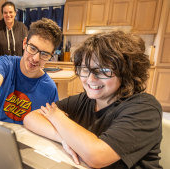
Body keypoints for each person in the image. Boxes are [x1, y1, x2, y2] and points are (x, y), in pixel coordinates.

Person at [24, 31, 162, 168]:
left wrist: (56, 116)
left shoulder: (145, 108)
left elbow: (96, 156)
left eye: (103, 71)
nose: (90, 79)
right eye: (85, 69)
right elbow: (30, 118)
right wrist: (63, 138)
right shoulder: (85, 100)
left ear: (127, 72)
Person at [0, 18, 62, 124]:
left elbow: (52, 121)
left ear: (51, 55)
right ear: (25, 43)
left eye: (44, 54)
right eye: (33, 48)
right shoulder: (5, 63)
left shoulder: (50, 89)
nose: (35, 59)